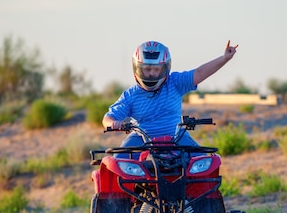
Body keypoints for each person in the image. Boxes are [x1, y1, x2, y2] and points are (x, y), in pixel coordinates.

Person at [102, 40, 238, 149]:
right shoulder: (130, 95)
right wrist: (114, 123)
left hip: (176, 136)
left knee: (202, 161)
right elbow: (108, 118)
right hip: (140, 138)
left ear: (165, 68)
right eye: (146, 69)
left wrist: (224, 58)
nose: (151, 74)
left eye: (156, 69)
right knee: (119, 161)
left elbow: (199, 73)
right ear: (137, 68)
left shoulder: (175, 83)